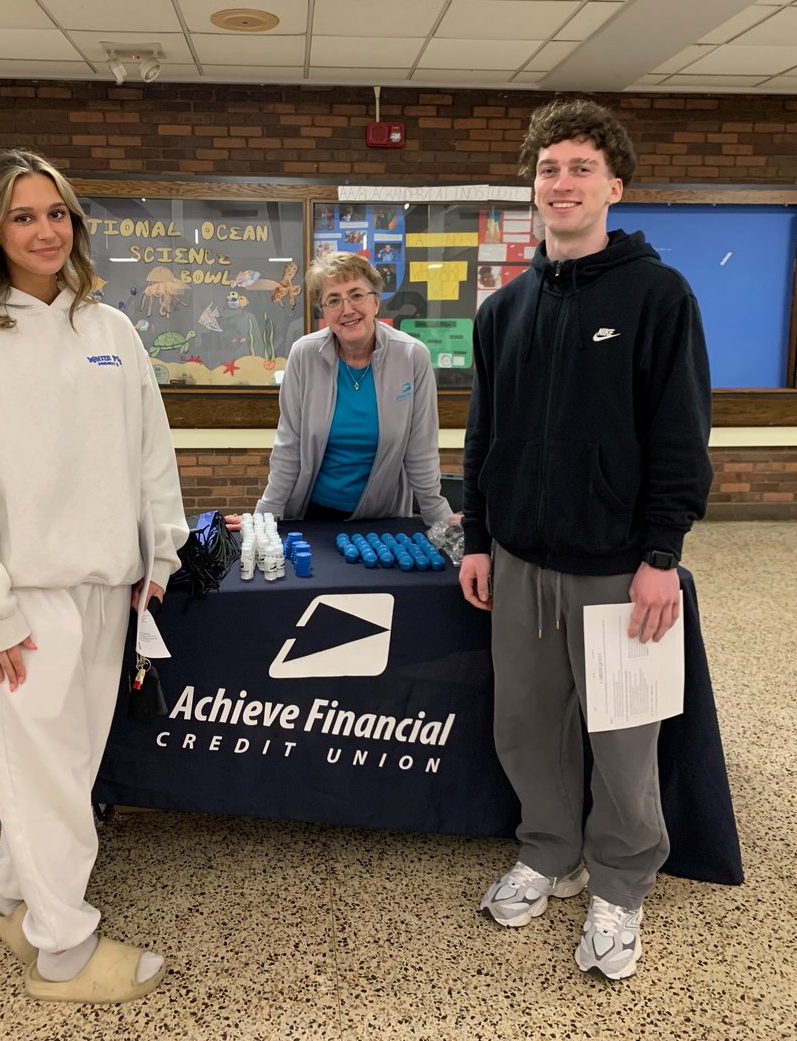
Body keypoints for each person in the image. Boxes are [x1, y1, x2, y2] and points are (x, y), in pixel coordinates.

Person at [0, 150, 188, 1003]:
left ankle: (13, 890)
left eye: (57, 213)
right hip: (20, 595)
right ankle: (64, 949)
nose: (44, 230)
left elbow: (150, 451)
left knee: (62, 765)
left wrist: (162, 550)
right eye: (24, 215)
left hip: (108, 587)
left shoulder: (109, 330)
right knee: (45, 772)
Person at [459, 99, 712, 981]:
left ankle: (620, 881)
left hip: (617, 569)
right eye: (546, 170)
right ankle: (549, 850)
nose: (560, 184)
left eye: (577, 169)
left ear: (614, 185)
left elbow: (680, 435)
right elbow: (483, 437)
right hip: (521, 562)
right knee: (527, 727)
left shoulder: (657, 297)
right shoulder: (506, 309)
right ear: (532, 188)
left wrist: (660, 558)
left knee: (623, 736)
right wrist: (479, 538)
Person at [256, 252, 455, 525]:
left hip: (383, 519)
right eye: (334, 300)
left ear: (376, 301)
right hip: (312, 514)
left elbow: (420, 449)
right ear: (324, 312)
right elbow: (289, 445)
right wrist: (264, 517)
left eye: (356, 295)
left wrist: (440, 519)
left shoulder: (411, 356)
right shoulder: (304, 355)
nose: (347, 309)